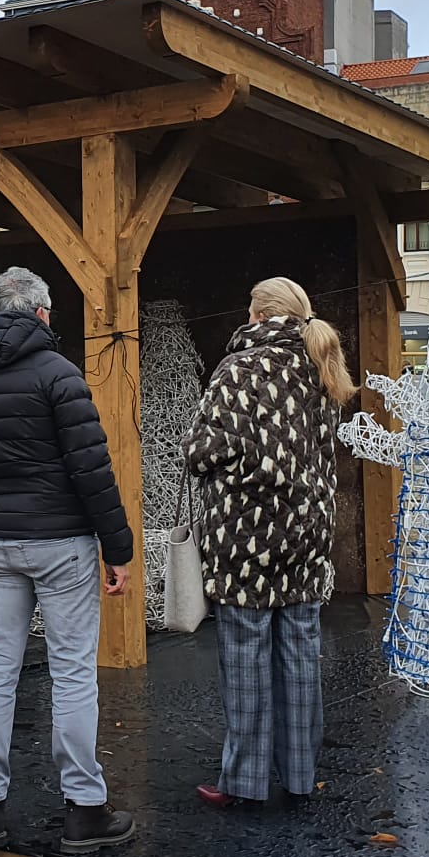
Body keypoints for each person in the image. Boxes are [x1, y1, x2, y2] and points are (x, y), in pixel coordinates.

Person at [0, 266, 136, 854]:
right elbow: (92, 471)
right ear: (42, 313)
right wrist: (117, 548)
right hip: (63, 544)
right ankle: (84, 809)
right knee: (72, 672)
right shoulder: (59, 375)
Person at [183, 277, 355, 810]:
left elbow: (200, 451)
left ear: (256, 315)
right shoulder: (322, 369)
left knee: (246, 655)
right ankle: (300, 777)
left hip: (245, 539)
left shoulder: (238, 370)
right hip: (307, 533)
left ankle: (245, 782)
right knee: (301, 654)